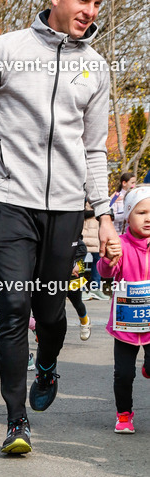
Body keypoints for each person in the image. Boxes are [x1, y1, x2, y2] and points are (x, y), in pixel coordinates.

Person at [0, 0, 117, 453]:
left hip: (64, 209)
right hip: (9, 203)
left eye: (97, 3)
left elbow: (94, 149)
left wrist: (103, 214)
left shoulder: (96, 66)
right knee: (15, 306)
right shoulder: (8, 49)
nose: (90, 11)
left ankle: (47, 366)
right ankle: (16, 420)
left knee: (52, 311)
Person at [97, 186, 150, 433]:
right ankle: (124, 415)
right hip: (125, 325)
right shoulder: (120, 244)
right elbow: (105, 273)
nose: (148, 218)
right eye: (141, 212)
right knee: (124, 375)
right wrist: (109, 258)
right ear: (128, 215)